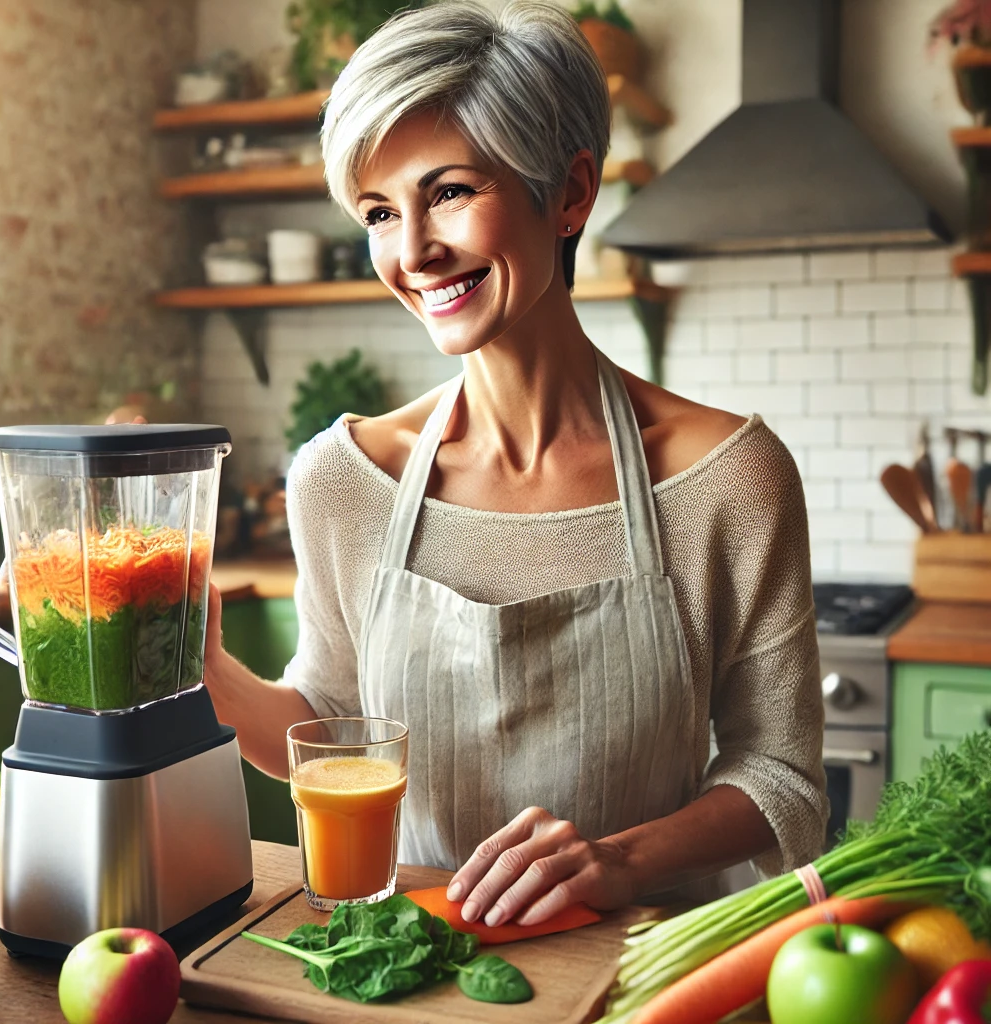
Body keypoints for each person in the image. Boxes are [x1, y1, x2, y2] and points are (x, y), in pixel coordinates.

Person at [203, 0, 828, 928]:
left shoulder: (731, 477)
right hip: (410, 967)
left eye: (448, 191)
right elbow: (328, 717)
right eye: (380, 211)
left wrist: (619, 860)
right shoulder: (343, 479)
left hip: (640, 976)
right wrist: (199, 661)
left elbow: (784, 779)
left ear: (571, 192)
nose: (411, 252)